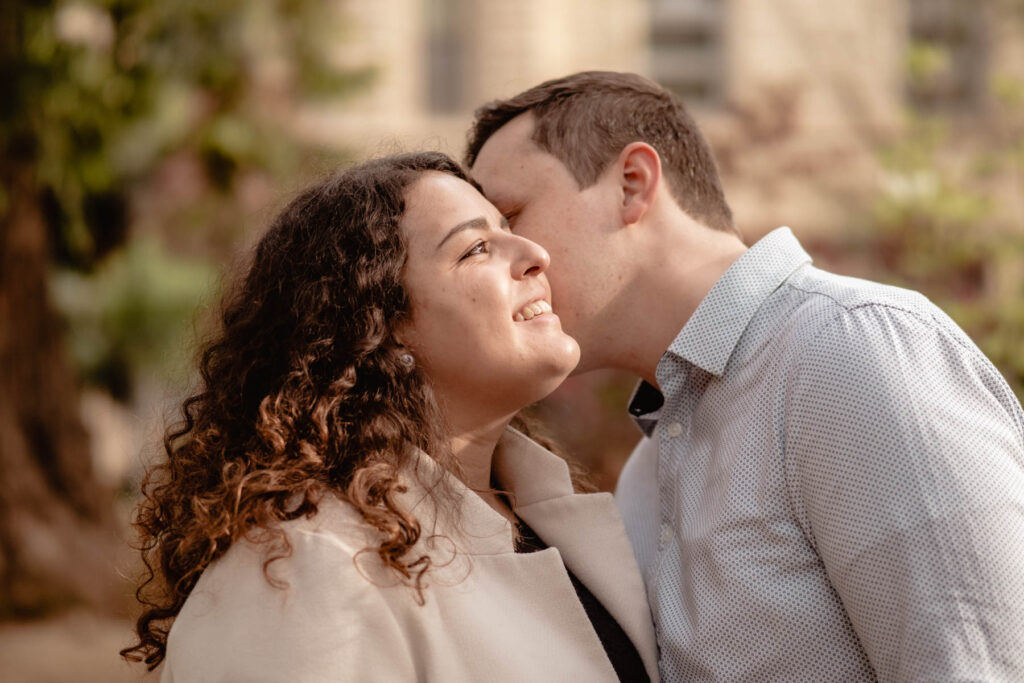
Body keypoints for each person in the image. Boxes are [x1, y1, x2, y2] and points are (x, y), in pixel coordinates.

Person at [465, 71, 1024, 681]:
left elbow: (986, 665)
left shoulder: (849, 349)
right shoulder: (650, 472)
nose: (506, 262)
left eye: (512, 217)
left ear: (633, 184)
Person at [120, 152, 659, 682]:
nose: (536, 253)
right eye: (475, 248)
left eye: (508, 227)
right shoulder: (300, 569)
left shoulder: (547, 518)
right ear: (379, 326)